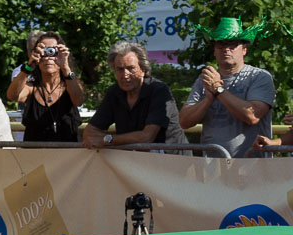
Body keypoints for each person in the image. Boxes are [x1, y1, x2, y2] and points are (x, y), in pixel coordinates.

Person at [178, 17, 274, 158]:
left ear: (244, 50)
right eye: (220, 45)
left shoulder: (259, 77)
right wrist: (208, 100)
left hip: (251, 165)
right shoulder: (206, 79)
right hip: (212, 166)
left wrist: (218, 89)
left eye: (232, 45)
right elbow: (184, 121)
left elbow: (252, 116)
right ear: (214, 51)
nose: (226, 49)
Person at [83, 41, 189, 154]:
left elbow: (147, 137)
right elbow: (89, 133)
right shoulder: (114, 93)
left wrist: (107, 139)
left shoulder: (159, 90)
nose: (125, 75)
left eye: (131, 68)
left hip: (172, 159)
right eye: (120, 69)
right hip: (135, 160)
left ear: (143, 70)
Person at [6, 32, 85, 142]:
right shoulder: (31, 88)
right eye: (44, 52)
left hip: (68, 151)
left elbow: (78, 100)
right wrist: (29, 67)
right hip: (36, 151)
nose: (48, 57)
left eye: (53, 52)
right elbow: (12, 96)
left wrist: (66, 67)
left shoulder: (70, 85)